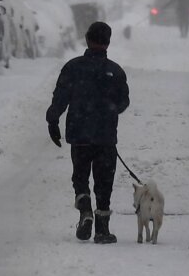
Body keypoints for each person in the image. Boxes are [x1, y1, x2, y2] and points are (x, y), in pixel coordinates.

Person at [47, 20, 130, 243]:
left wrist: (53, 120)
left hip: (79, 133)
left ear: (87, 39)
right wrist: (108, 110)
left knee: (80, 176)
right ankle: (102, 228)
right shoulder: (115, 71)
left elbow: (60, 97)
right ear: (108, 43)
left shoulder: (73, 67)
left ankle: (84, 209)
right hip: (105, 138)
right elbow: (123, 103)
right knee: (104, 181)